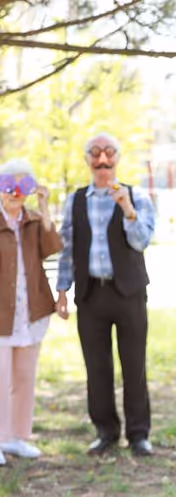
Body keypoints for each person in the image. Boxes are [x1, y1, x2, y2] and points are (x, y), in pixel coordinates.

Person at [55, 132, 156, 456]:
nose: (102, 161)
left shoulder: (136, 195)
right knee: (96, 367)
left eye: (108, 154)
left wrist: (126, 208)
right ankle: (106, 432)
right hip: (90, 295)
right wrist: (61, 291)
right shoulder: (75, 200)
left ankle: (138, 434)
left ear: (116, 159)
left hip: (128, 293)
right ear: (88, 160)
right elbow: (67, 250)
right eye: (95, 154)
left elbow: (141, 241)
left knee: (134, 365)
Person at [0, 159, 62, 466]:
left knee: (24, 377)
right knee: (0, 379)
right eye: (8, 185)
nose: (14, 192)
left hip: (30, 313)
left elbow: (53, 246)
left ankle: (17, 437)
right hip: (1, 314)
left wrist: (44, 205)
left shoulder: (35, 220)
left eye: (22, 186)